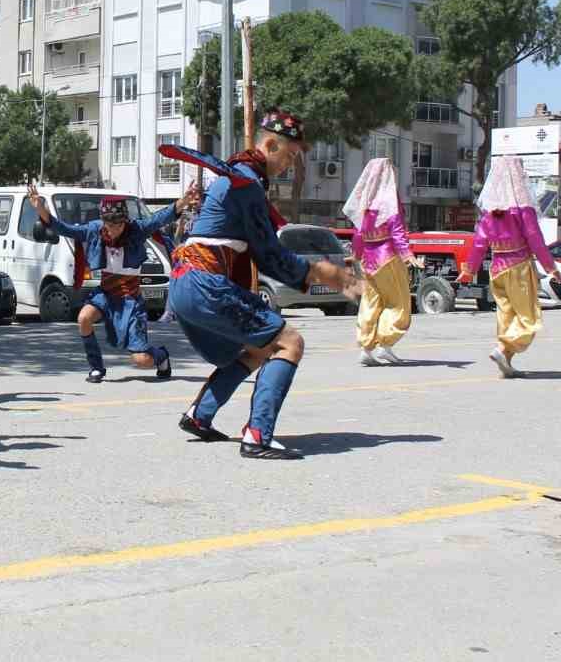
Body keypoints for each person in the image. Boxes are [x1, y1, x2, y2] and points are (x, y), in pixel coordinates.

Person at [169, 109, 362, 459]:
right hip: (205, 283)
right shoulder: (247, 184)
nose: (290, 164)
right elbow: (269, 253)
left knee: (258, 348)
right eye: (289, 155)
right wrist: (321, 272)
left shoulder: (239, 178)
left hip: (184, 285)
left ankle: (200, 416)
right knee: (290, 342)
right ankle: (257, 435)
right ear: (270, 144)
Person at [28, 187, 193, 383]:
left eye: (119, 225)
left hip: (130, 300)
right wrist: (41, 209)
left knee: (141, 360)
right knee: (83, 319)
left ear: (125, 221)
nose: (114, 230)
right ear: (103, 221)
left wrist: (181, 202)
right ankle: (96, 368)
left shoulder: (137, 230)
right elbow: (64, 228)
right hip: (105, 294)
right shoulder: (94, 230)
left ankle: (161, 356)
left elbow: (160, 218)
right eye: (110, 225)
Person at [458, 156, 561, 379]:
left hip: (497, 267)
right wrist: (551, 267)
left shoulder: (489, 210)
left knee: (506, 316)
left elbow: (479, 241)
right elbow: (535, 238)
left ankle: (505, 361)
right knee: (529, 318)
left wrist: (469, 269)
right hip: (519, 266)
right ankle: (503, 349)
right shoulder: (522, 206)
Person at [344, 158, 417, 366]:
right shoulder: (388, 200)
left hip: (368, 260)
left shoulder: (364, 203)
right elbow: (396, 230)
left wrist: (357, 255)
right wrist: (406, 253)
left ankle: (366, 348)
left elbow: (357, 234)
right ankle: (385, 345)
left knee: (370, 302)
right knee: (398, 302)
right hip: (388, 257)